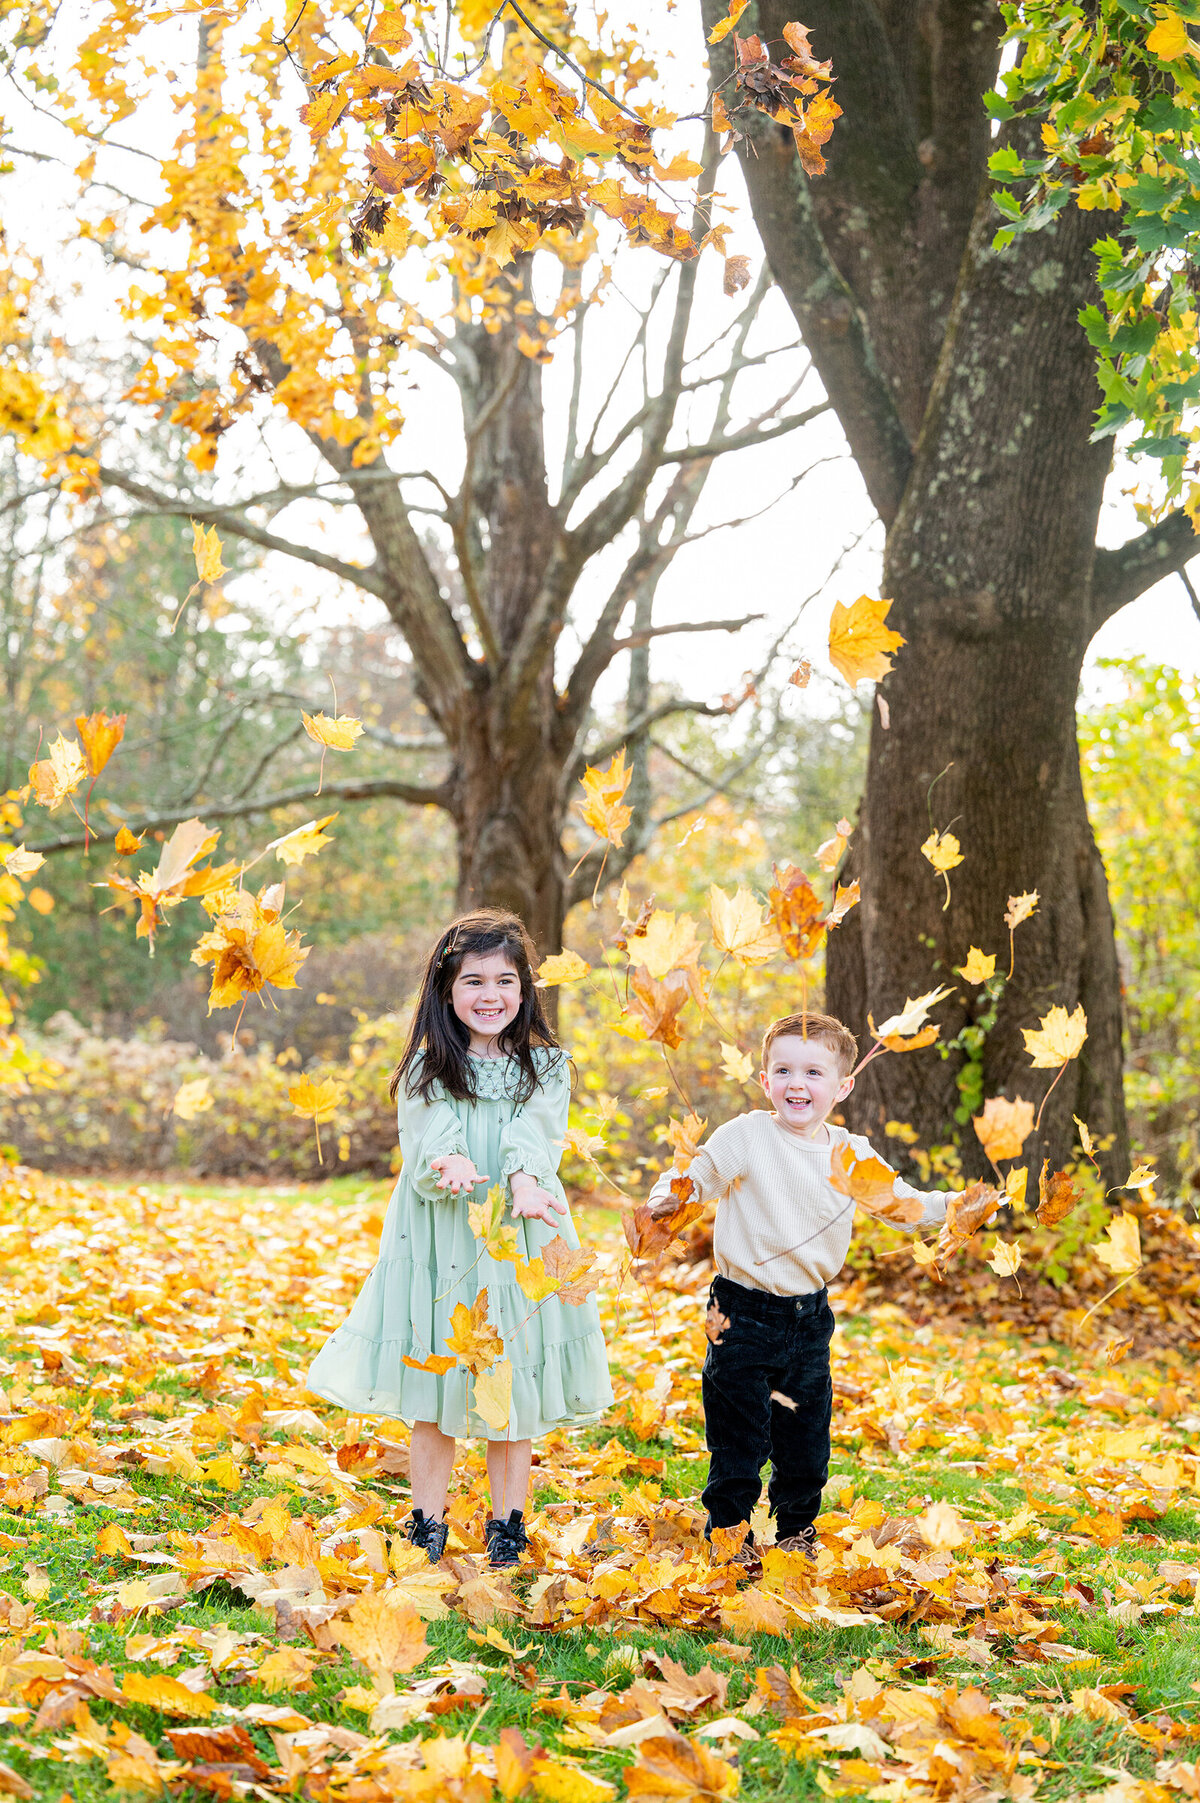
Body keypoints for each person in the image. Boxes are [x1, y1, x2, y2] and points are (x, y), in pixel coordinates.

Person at [308, 909, 613, 1568]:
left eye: (506, 979)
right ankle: (427, 1524)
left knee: (513, 1377)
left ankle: (508, 1526)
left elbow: (534, 1132)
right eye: (473, 979)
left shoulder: (546, 1065)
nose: (491, 994)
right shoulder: (429, 1067)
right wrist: (446, 1161)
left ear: (525, 990)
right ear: (446, 989)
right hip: (442, 1230)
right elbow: (427, 1133)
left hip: (520, 1230)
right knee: (438, 1377)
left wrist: (528, 1181)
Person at [646, 1010, 949, 1567]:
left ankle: (795, 1532)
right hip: (739, 1310)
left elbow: (902, 1204)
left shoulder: (849, 1152)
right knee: (738, 1435)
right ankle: (730, 1534)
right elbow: (698, 1175)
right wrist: (663, 1201)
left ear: (843, 1085)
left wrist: (955, 1207)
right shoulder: (746, 1135)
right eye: (783, 1071)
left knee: (805, 1436)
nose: (797, 1084)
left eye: (813, 1073)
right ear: (765, 1080)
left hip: (809, 1318)